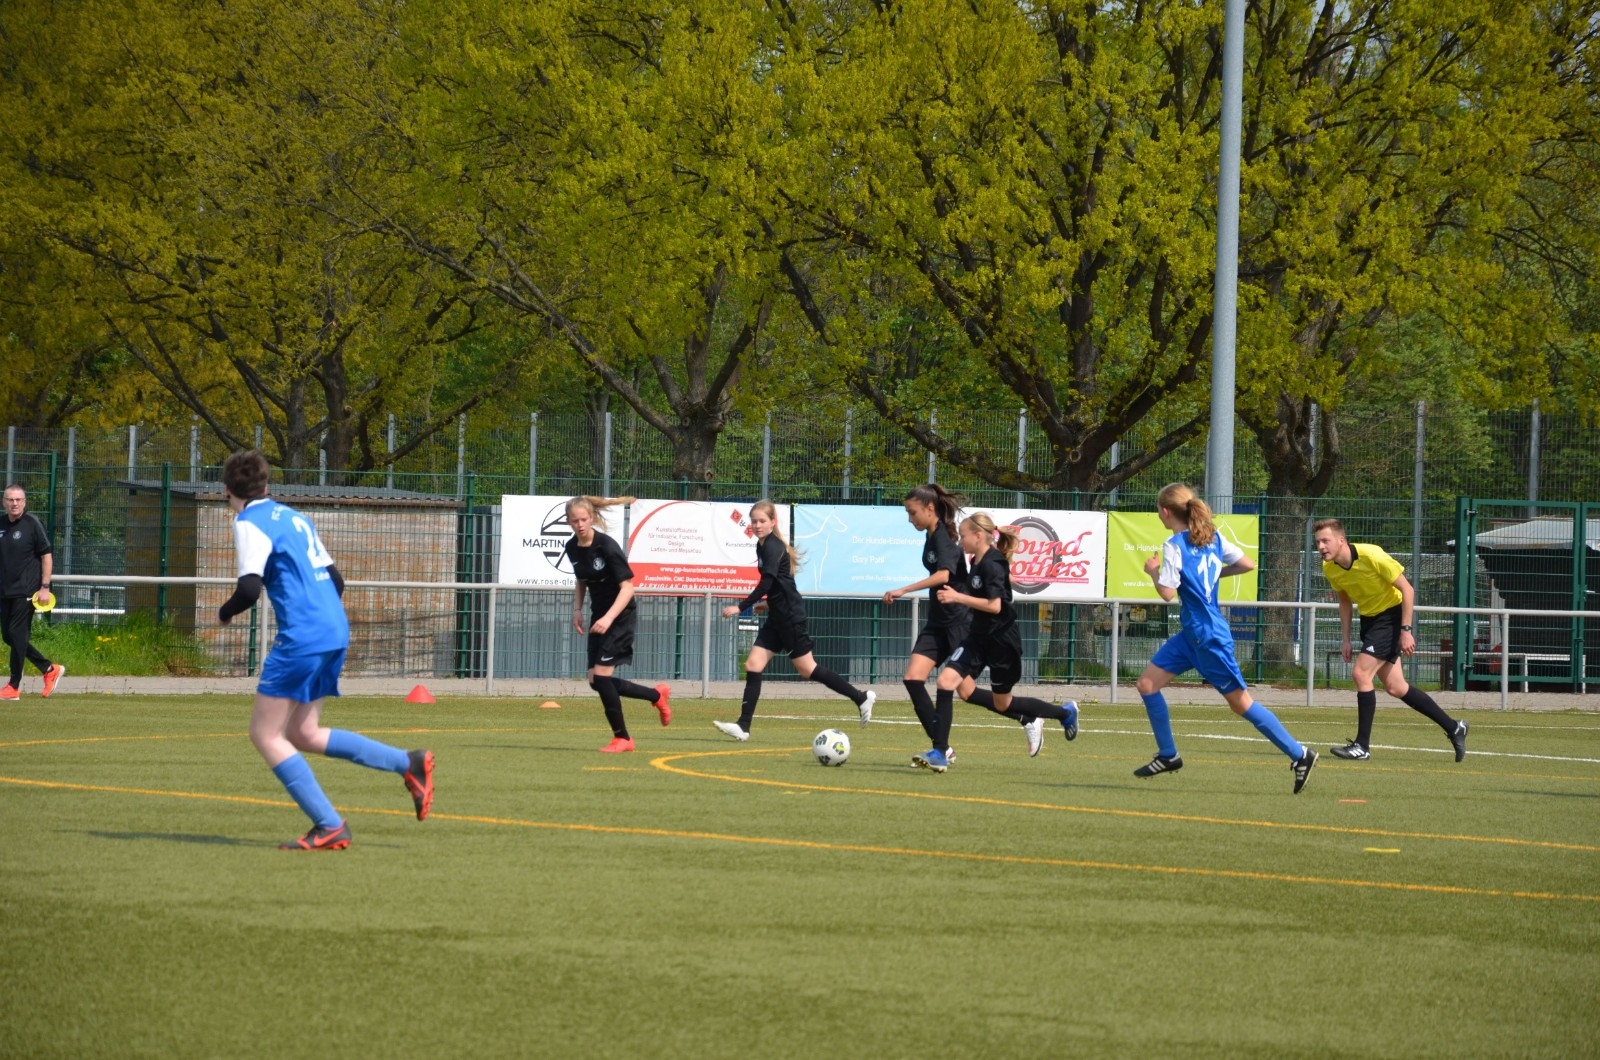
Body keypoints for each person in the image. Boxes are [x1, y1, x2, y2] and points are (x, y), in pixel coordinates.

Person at [217, 450, 433, 851]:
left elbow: (249, 589)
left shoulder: (248, 522)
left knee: (265, 734)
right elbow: (335, 580)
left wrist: (225, 613)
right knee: (303, 732)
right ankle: (409, 763)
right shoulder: (295, 517)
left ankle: (328, 824)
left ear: (227, 490)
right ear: (267, 486)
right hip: (334, 629)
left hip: (304, 636)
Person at [1133, 483, 1318, 794]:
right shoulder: (1213, 538)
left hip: (1207, 636)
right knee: (1147, 685)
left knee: (1241, 704)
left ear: (1165, 512)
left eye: (1157, 510)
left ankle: (1300, 754)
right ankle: (1168, 755)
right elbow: (1247, 564)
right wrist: (1213, 573)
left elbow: (1166, 593)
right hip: (1192, 634)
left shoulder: (1174, 544)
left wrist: (1152, 571)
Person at [915, 512, 1078, 773]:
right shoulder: (975, 561)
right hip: (976, 639)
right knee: (946, 683)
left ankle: (1065, 713)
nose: (961, 540)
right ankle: (940, 752)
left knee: (1003, 703)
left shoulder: (993, 563)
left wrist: (959, 598)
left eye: (964, 535)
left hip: (1002, 642)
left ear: (978, 536)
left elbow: (995, 606)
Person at [713, 499, 875, 740]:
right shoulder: (762, 545)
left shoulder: (773, 546)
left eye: (762, 521)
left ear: (773, 522)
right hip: (777, 615)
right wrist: (768, 604)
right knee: (753, 665)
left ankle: (861, 698)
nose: (757, 525)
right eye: (754, 521)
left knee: (808, 669)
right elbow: (782, 584)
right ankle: (743, 726)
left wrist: (741, 607)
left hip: (789, 617)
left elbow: (767, 582)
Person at [1313, 519, 1468, 761]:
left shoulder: (1372, 555)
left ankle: (1362, 746)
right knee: (1396, 687)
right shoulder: (1329, 568)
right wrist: (1345, 638)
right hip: (1371, 621)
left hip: (1392, 616)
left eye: (1325, 540)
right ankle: (1454, 728)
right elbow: (1344, 601)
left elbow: (1408, 590)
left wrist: (1406, 630)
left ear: (1341, 540)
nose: (1321, 546)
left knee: (1361, 674)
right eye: (1318, 542)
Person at [564, 496, 670, 753]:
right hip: (598, 615)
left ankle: (623, 738)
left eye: (584, 519)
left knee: (601, 677)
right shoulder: (572, 547)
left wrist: (609, 617)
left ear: (592, 518)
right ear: (568, 521)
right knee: (594, 681)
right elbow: (582, 581)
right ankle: (656, 696)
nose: (580, 525)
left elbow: (628, 588)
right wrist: (577, 610)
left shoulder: (607, 547)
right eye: (574, 520)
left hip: (619, 616)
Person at [0, 485, 65, 700]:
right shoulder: (1, 524)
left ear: (25, 502)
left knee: (17, 634)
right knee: (9, 636)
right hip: (4, 591)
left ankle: (13, 686)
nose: (14, 503)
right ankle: (49, 669)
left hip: (27, 590)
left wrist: (44, 587)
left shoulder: (32, 524)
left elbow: (46, 556)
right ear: (4, 502)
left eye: (18, 500)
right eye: (10, 499)